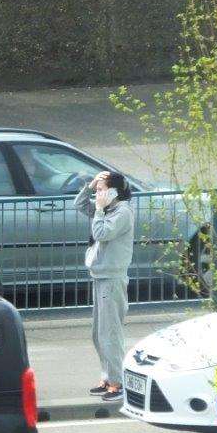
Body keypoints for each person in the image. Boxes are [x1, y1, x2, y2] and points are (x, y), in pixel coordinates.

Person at [74, 170, 135, 401]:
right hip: (100, 277)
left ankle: (117, 383)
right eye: (97, 190)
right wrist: (90, 187)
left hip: (112, 278)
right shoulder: (107, 209)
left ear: (113, 192)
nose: (97, 194)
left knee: (110, 333)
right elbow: (79, 205)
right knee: (98, 334)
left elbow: (101, 232)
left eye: (101, 190)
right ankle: (107, 377)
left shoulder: (122, 213)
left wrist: (99, 209)